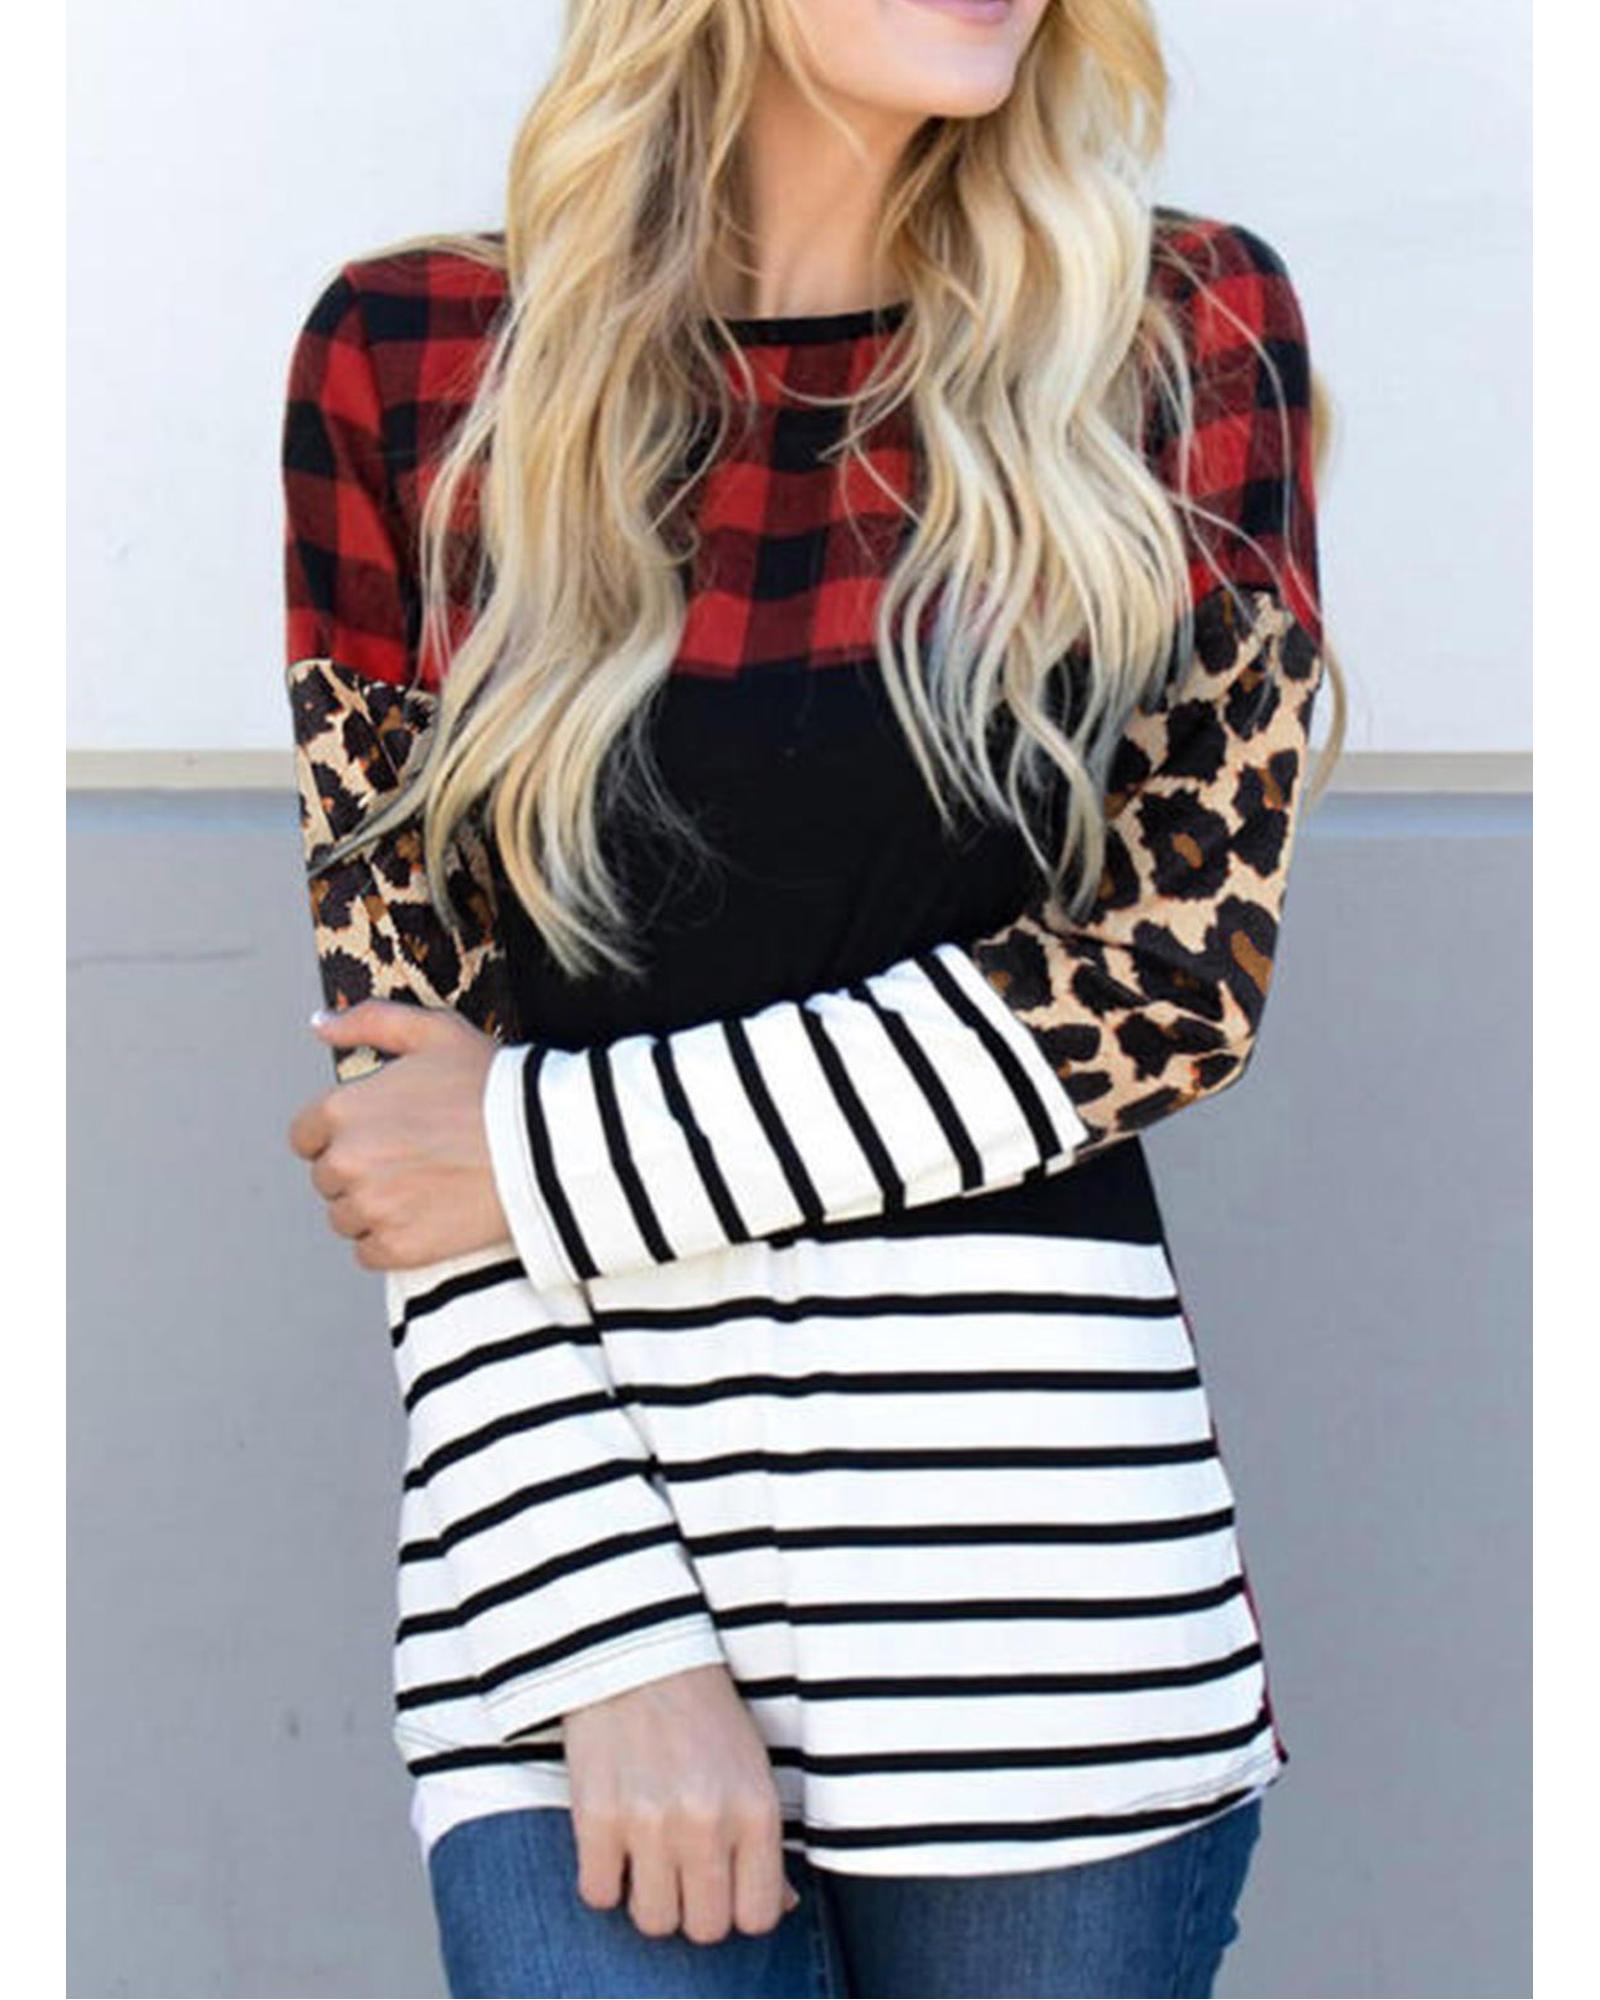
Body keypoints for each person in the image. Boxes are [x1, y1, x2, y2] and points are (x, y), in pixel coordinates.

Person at [280, 1, 1345, 1992]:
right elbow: (407, 1091)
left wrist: (539, 1145)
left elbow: (1167, 982)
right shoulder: (414, 357)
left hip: (1041, 1638)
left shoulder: (1176, 331)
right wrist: (611, 1648)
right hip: (567, 1608)